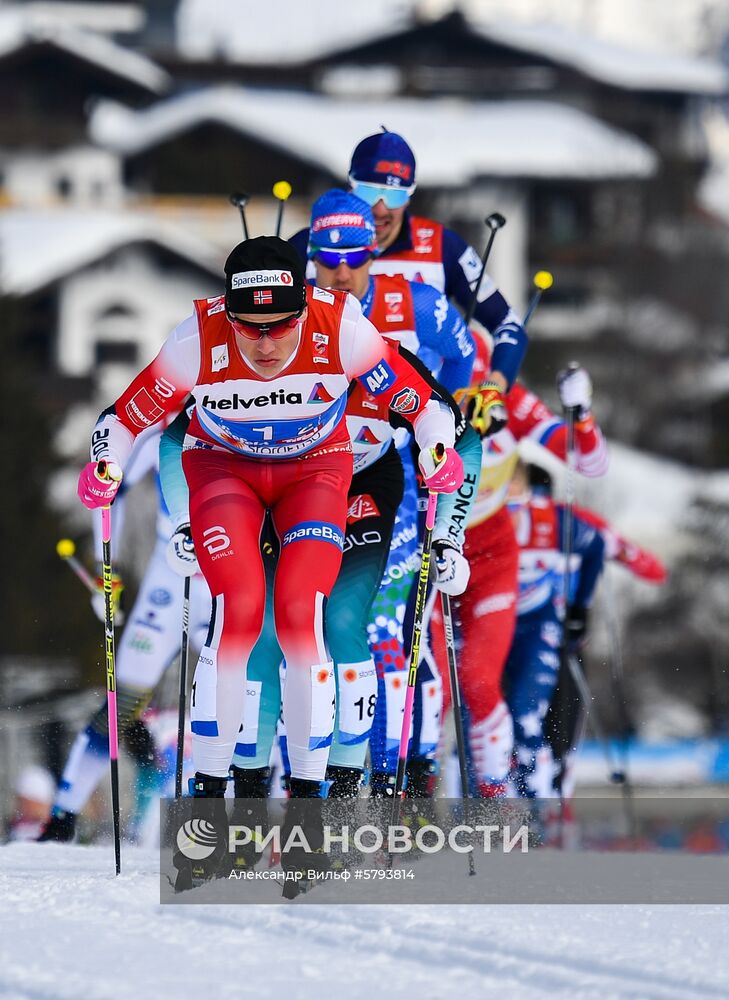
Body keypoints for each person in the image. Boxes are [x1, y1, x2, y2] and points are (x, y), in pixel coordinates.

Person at [76, 236, 464, 821]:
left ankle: (309, 800)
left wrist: (438, 448)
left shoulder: (342, 329)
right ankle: (210, 794)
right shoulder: (196, 339)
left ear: (303, 307)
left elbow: (428, 403)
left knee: (301, 614)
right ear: (227, 313)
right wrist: (105, 464)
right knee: (240, 609)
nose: (263, 343)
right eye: (248, 326)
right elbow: (124, 418)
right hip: (223, 466)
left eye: (279, 326)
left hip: (314, 470)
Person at [195, 191, 481, 802]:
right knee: (266, 630)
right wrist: (181, 519)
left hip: (367, 487)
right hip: (277, 485)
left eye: (355, 257)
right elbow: (182, 432)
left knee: (349, 626)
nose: (342, 272)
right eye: (327, 261)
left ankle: (354, 791)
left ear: (375, 253)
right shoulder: (264, 337)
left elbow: (459, 425)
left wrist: (450, 530)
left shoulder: (379, 334)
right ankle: (250, 788)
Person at [422, 336, 609, 796]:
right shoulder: (419, 386)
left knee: (480, 682)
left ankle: (494, 801)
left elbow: (589, 462)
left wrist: (580, 412)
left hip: (489, 555)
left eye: (487, 376)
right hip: (425, 551)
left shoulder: (509, 399)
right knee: (431, 689)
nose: (481, 388)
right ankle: (415, 796)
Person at [290, 129, 528, 436]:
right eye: (367, 192)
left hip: (416, 424)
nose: (379, 208)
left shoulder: (441, 245)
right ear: (350, 186)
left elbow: (507, 324)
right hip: (325, 423)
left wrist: (493, 386)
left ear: (410, 195)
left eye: (394, 195)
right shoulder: (311, 242)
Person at [39, 426, 212, 842]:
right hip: (166, 586)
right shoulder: (160, 436)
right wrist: (106, 574)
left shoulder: (253, 417)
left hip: (228, 582)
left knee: (243, 698)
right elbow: (109, 492)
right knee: (122, 703)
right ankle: (62, 819)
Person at [504, 462, 667, 802]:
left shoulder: (567, 520)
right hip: (520, 629)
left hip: (560, 632)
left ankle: (552, 793)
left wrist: (580, 606)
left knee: (551, 714)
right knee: (521, 713)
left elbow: (633, 558)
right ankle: (523, 792)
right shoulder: (506, 517)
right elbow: (639, 560)